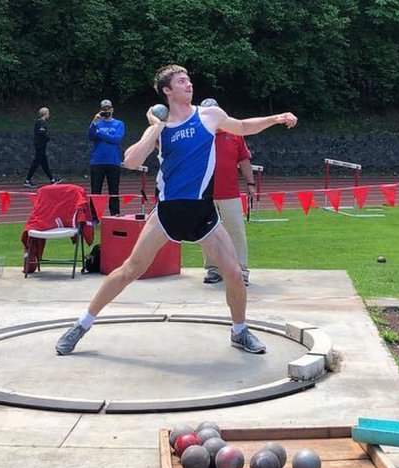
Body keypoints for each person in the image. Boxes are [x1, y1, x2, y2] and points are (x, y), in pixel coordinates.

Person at [55, 64, 297, 356]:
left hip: (203, 214)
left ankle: (240, 331)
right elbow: (130, 161)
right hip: (167, 213)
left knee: (233, 272)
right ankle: (81, 325)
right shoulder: (161, 125)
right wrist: (155, 128)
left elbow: (243, 127)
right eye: (181, 82)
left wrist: (278, 117)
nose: (189, 85)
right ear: (167, 91)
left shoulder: (210, 116)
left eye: (189, 80)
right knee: (131, 269)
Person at [199, 98, 256, 287]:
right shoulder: (198, 134)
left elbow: (244, 160)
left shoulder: (234, 133)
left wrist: (251, 182)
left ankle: (241, 270)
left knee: (236, 231)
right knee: (207, 233)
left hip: (229, 192)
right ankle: (213, 269)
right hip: (204, 193)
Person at [88, 99, 125, 219]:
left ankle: (115, 214)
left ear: (112, 109)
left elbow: (116, 139)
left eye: (108, 108)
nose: (106, 111)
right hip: (97, 162)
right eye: (104, 109)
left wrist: (100, 134)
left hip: (113, 161)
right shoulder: (97, 124)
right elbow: (91, 136)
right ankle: (93, 216)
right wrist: (94, 122)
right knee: (95, 191)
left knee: (114, 191)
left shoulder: (119, 123)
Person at [24, 106, 59, 187]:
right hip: (40, 146)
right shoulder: (42, 122)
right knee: (36, 163)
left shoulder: (38, 122)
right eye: (48, 113)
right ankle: (27, 180)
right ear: (45, 114)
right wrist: (47, 139)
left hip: (40, 145)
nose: (49, 115)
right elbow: (41, 132)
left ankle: (52, 179)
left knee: (44, 163)